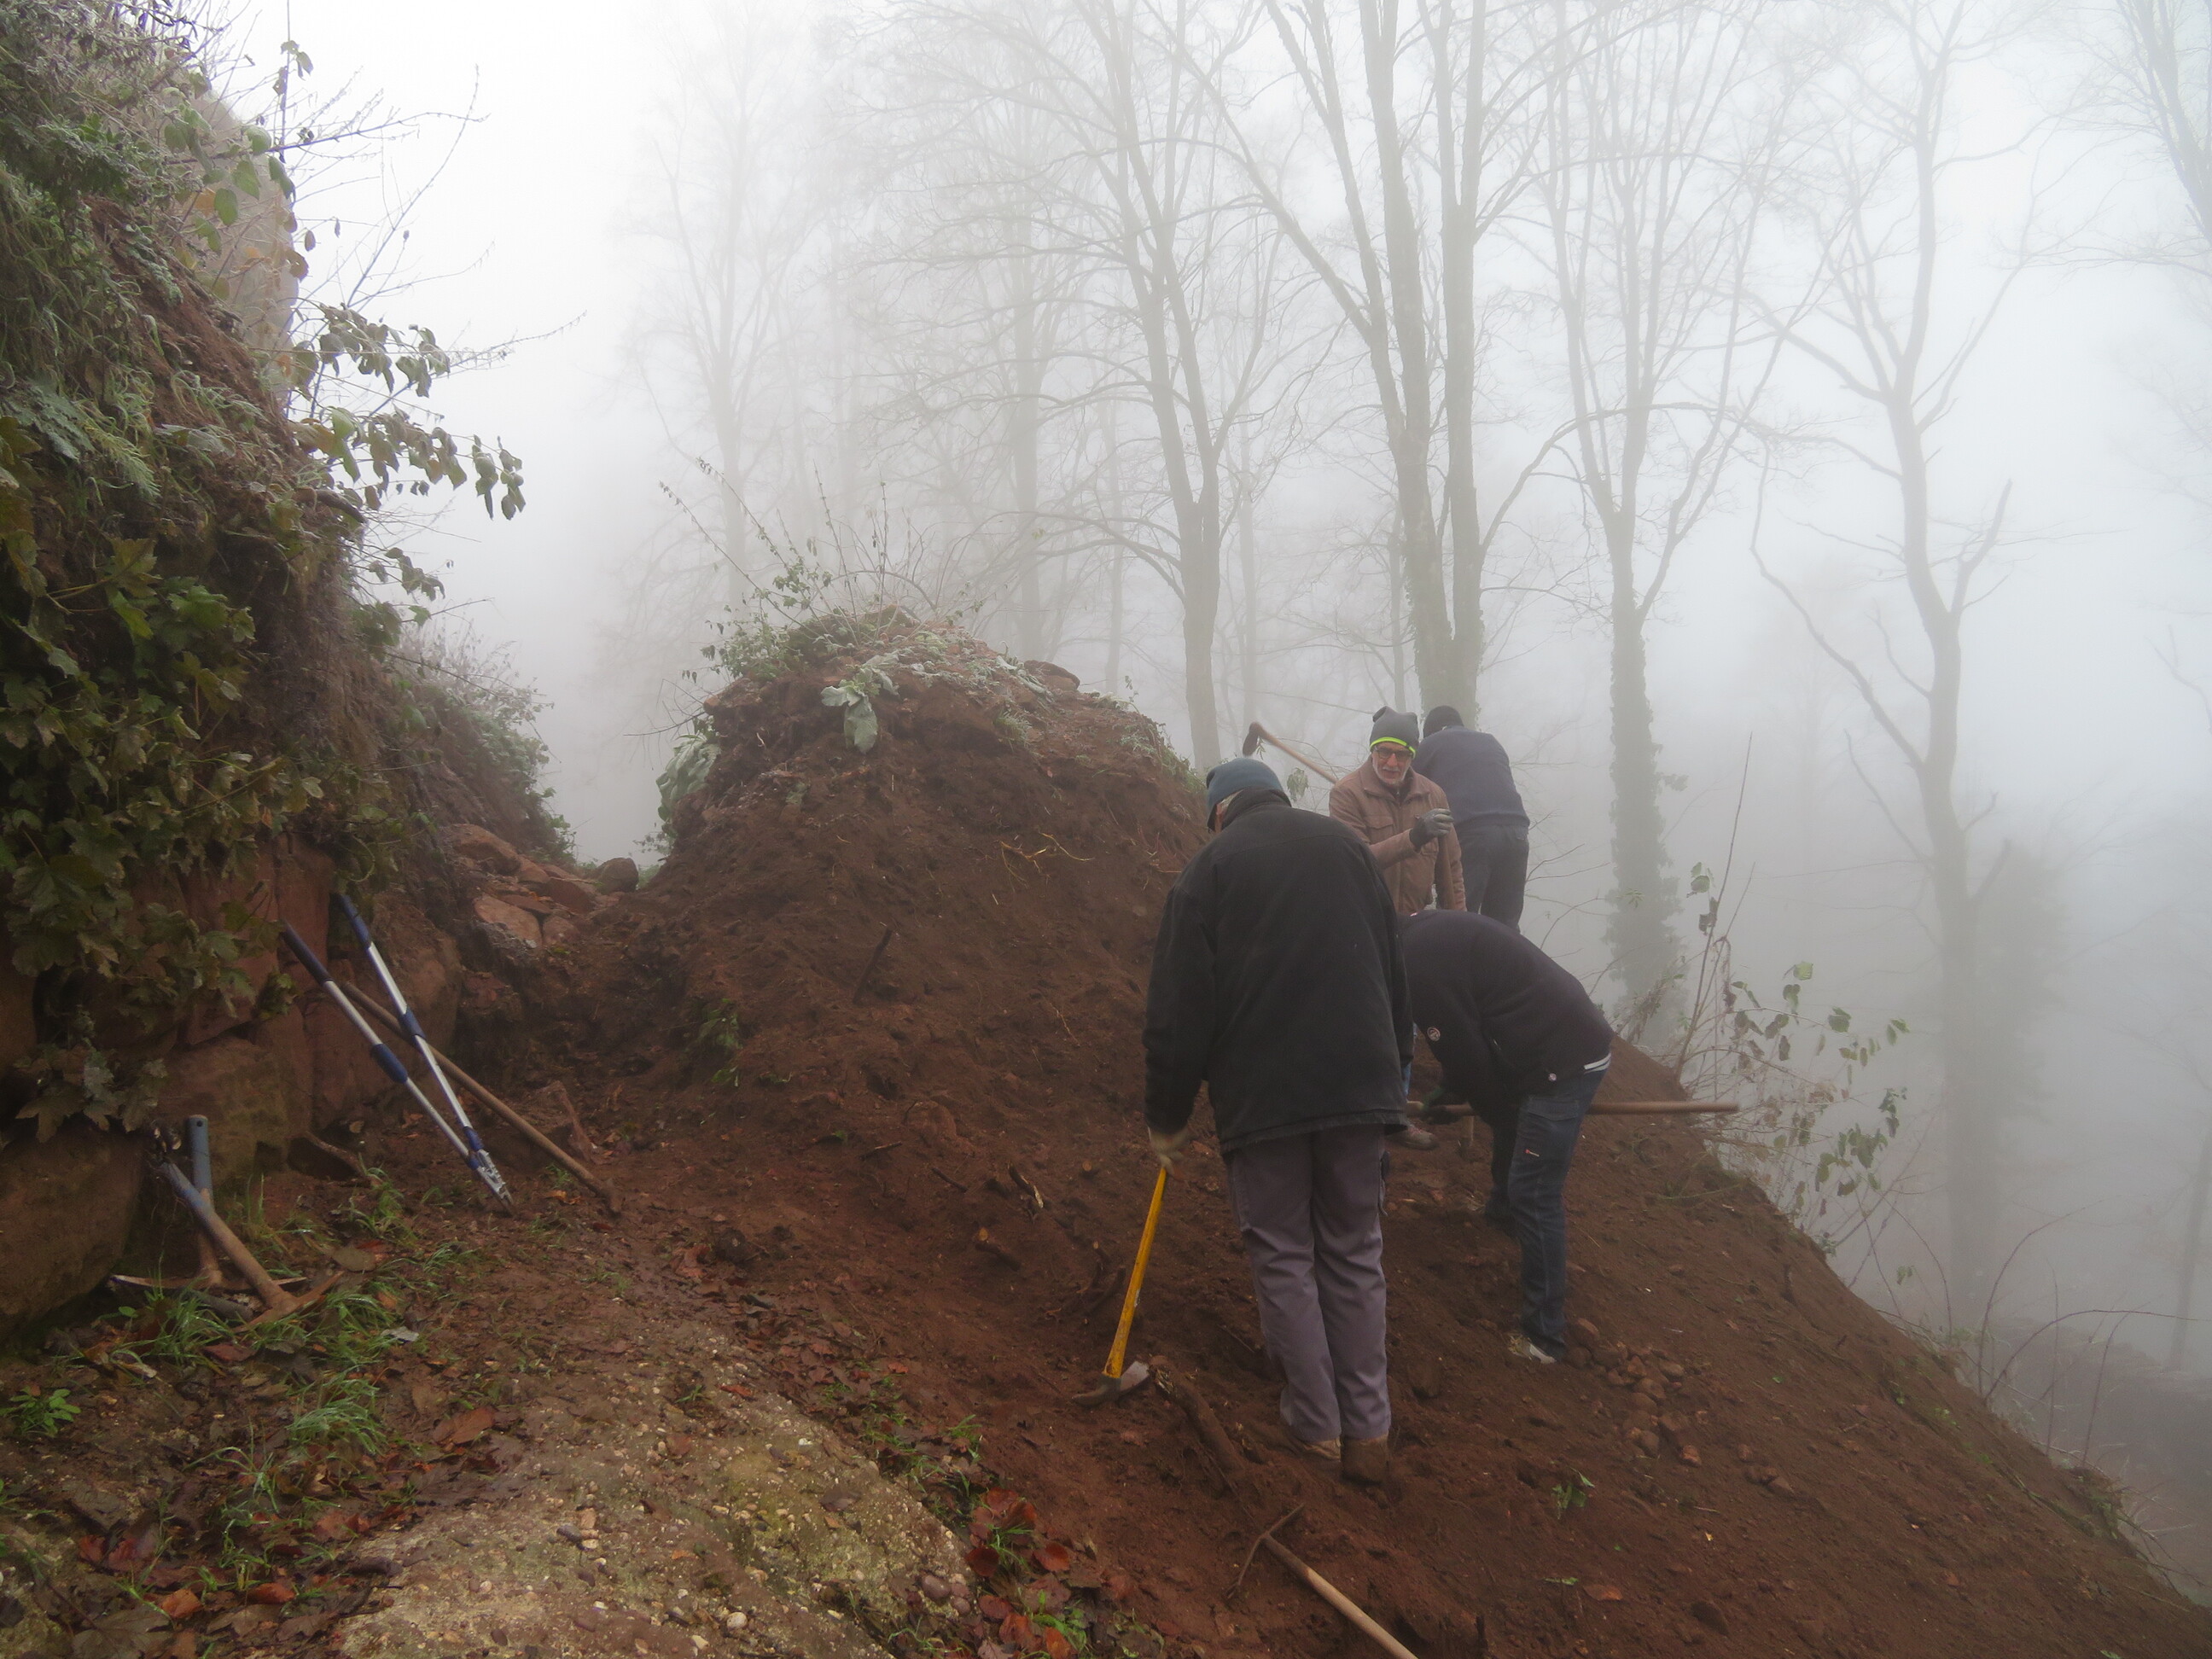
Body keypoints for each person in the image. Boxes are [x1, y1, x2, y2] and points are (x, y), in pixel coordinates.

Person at [1144, 755, 1410, 1485]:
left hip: (1267, 1099)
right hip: (1360, 1084)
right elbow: (1394, 972)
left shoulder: (1208, 871)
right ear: (1276, 796)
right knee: (1354, 1249)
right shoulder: (1350, 852)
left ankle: (1315, 1426)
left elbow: (1178, 1012)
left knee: (1285, 1252)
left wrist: (1167, 1117)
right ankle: (1370, 1429)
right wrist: (1396, 1074)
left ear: (1220, 812)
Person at [1400, 909, 1613, 1365]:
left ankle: (1544, 1338)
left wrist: (1489, 1105)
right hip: (1545, 1035)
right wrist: (1455, 1089)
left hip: (1562, 1059)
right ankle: (1501, 1216)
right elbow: (1468, 1020)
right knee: (1513, 1129)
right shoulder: (1419, 932)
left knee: (1534, 1191)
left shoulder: (1413, 962)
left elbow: (1466, 1051)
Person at [1330, 708, 1466, 918]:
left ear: (1412, 756)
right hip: (1368, 919)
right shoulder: (1346, 793)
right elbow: (1357, 862)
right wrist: (1414, 838)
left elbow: (1451, 869)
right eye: (1384, 752)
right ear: (1372, 751)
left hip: (1415, 919)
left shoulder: (1433, 795)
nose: (1392, 763)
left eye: (1401, 754)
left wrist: (1459, 922)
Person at [1413, 706, 1529, 928]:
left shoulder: (1431, 743)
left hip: (1473, 834)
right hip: (1517, 834)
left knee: (1459, 921)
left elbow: (1408, 788)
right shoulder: (1491, 741)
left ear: (1431, 731)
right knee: (1504, 927)